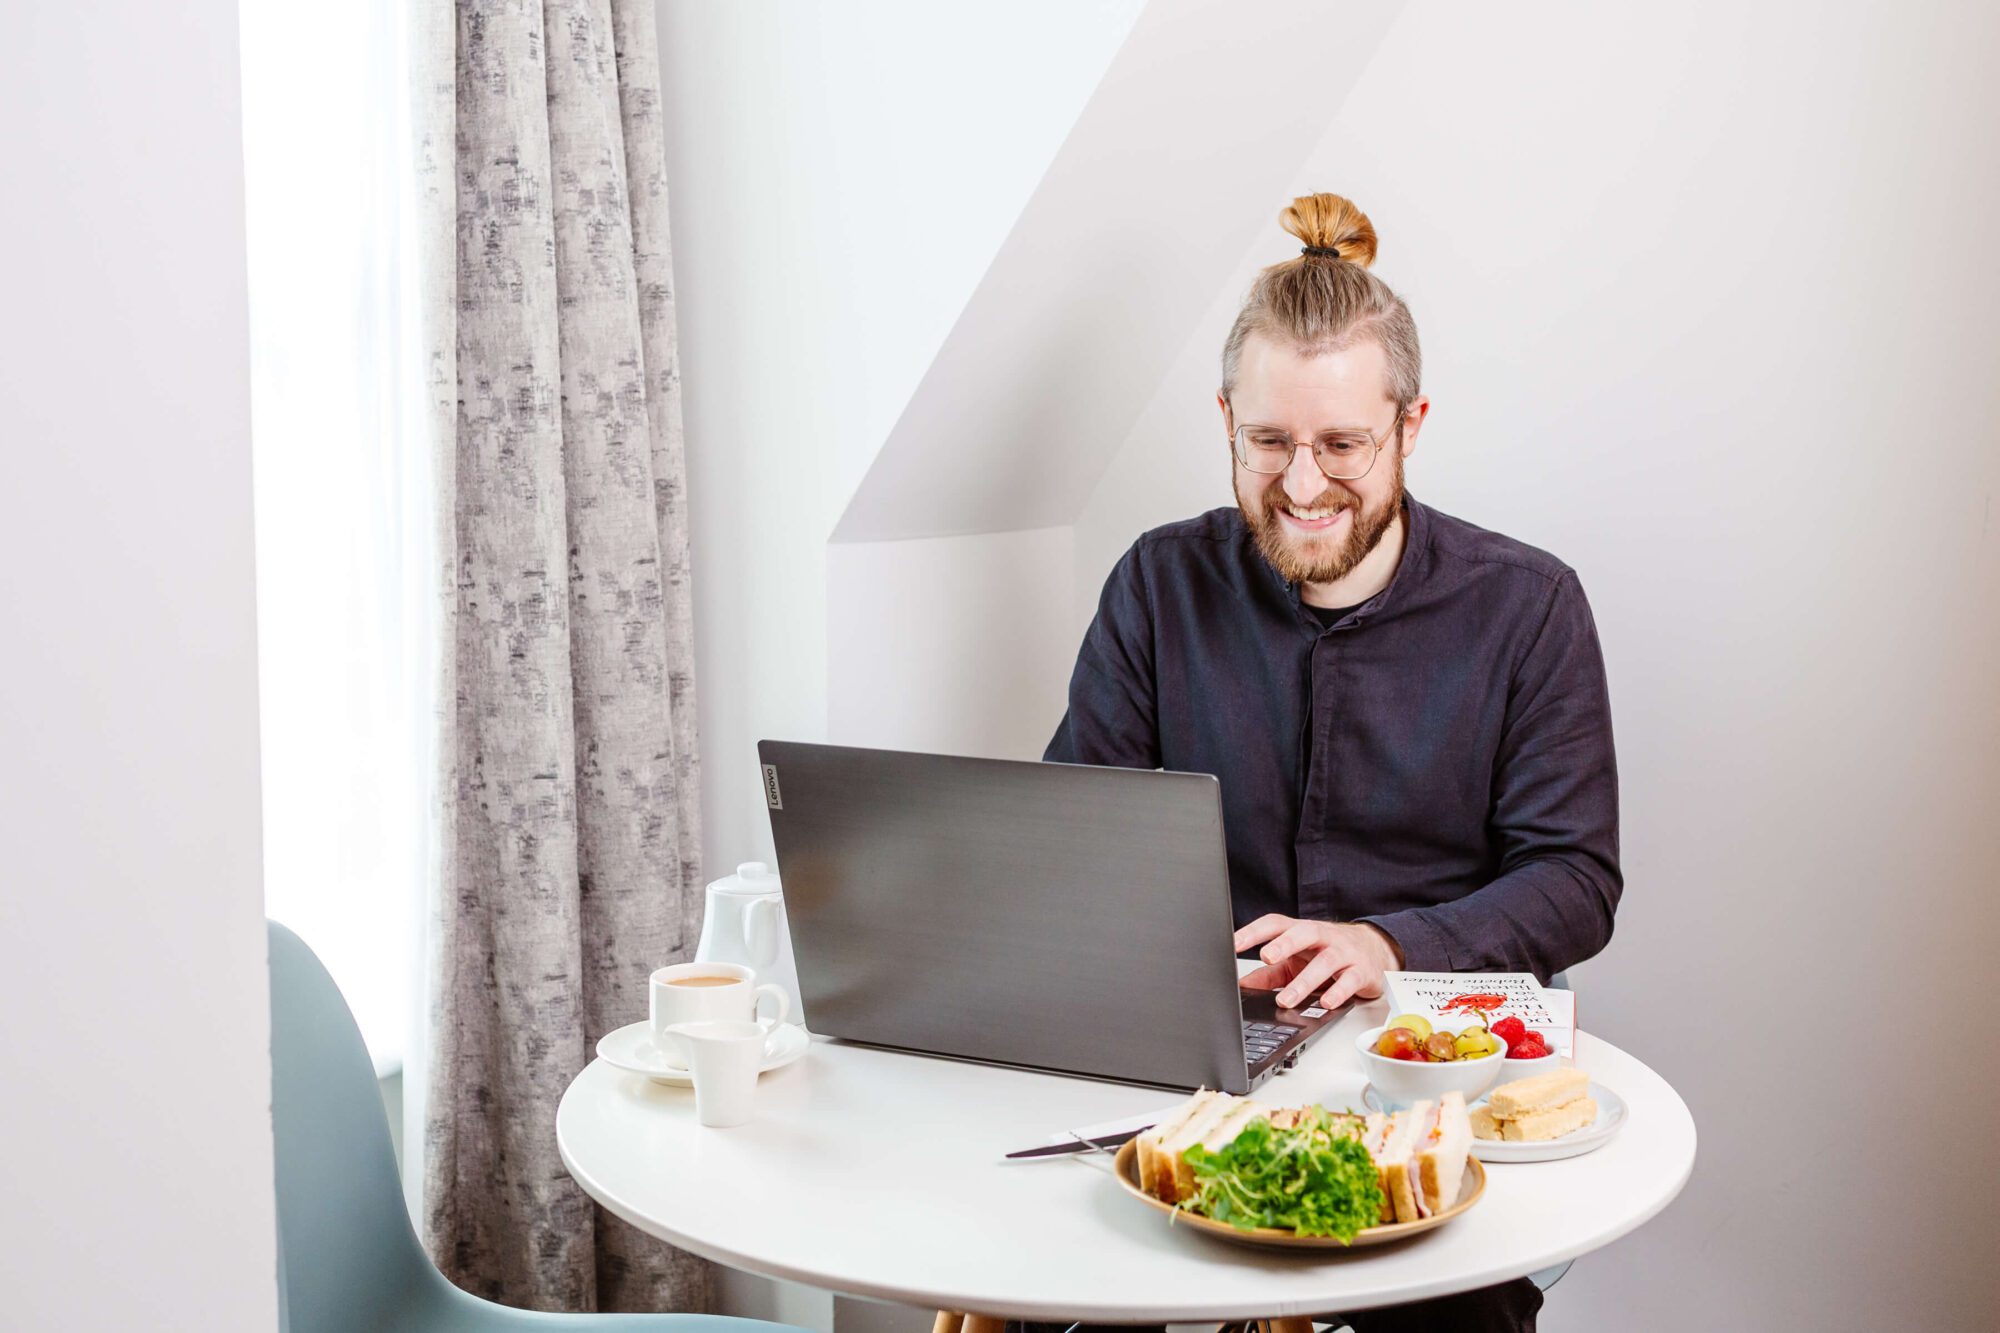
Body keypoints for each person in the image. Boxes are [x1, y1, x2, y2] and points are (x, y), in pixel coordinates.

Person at [1036, 193, 1621, 1333]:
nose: (1301, 487)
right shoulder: (1157, 586)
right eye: (1267, 441)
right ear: (1224, 421)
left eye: (1341, 443)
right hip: (1194, 1069)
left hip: (1421, 1077)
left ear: (1408, 426)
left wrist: (1383, 944)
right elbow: (1071, 835)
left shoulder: (1528, 606)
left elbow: (1574, 880)